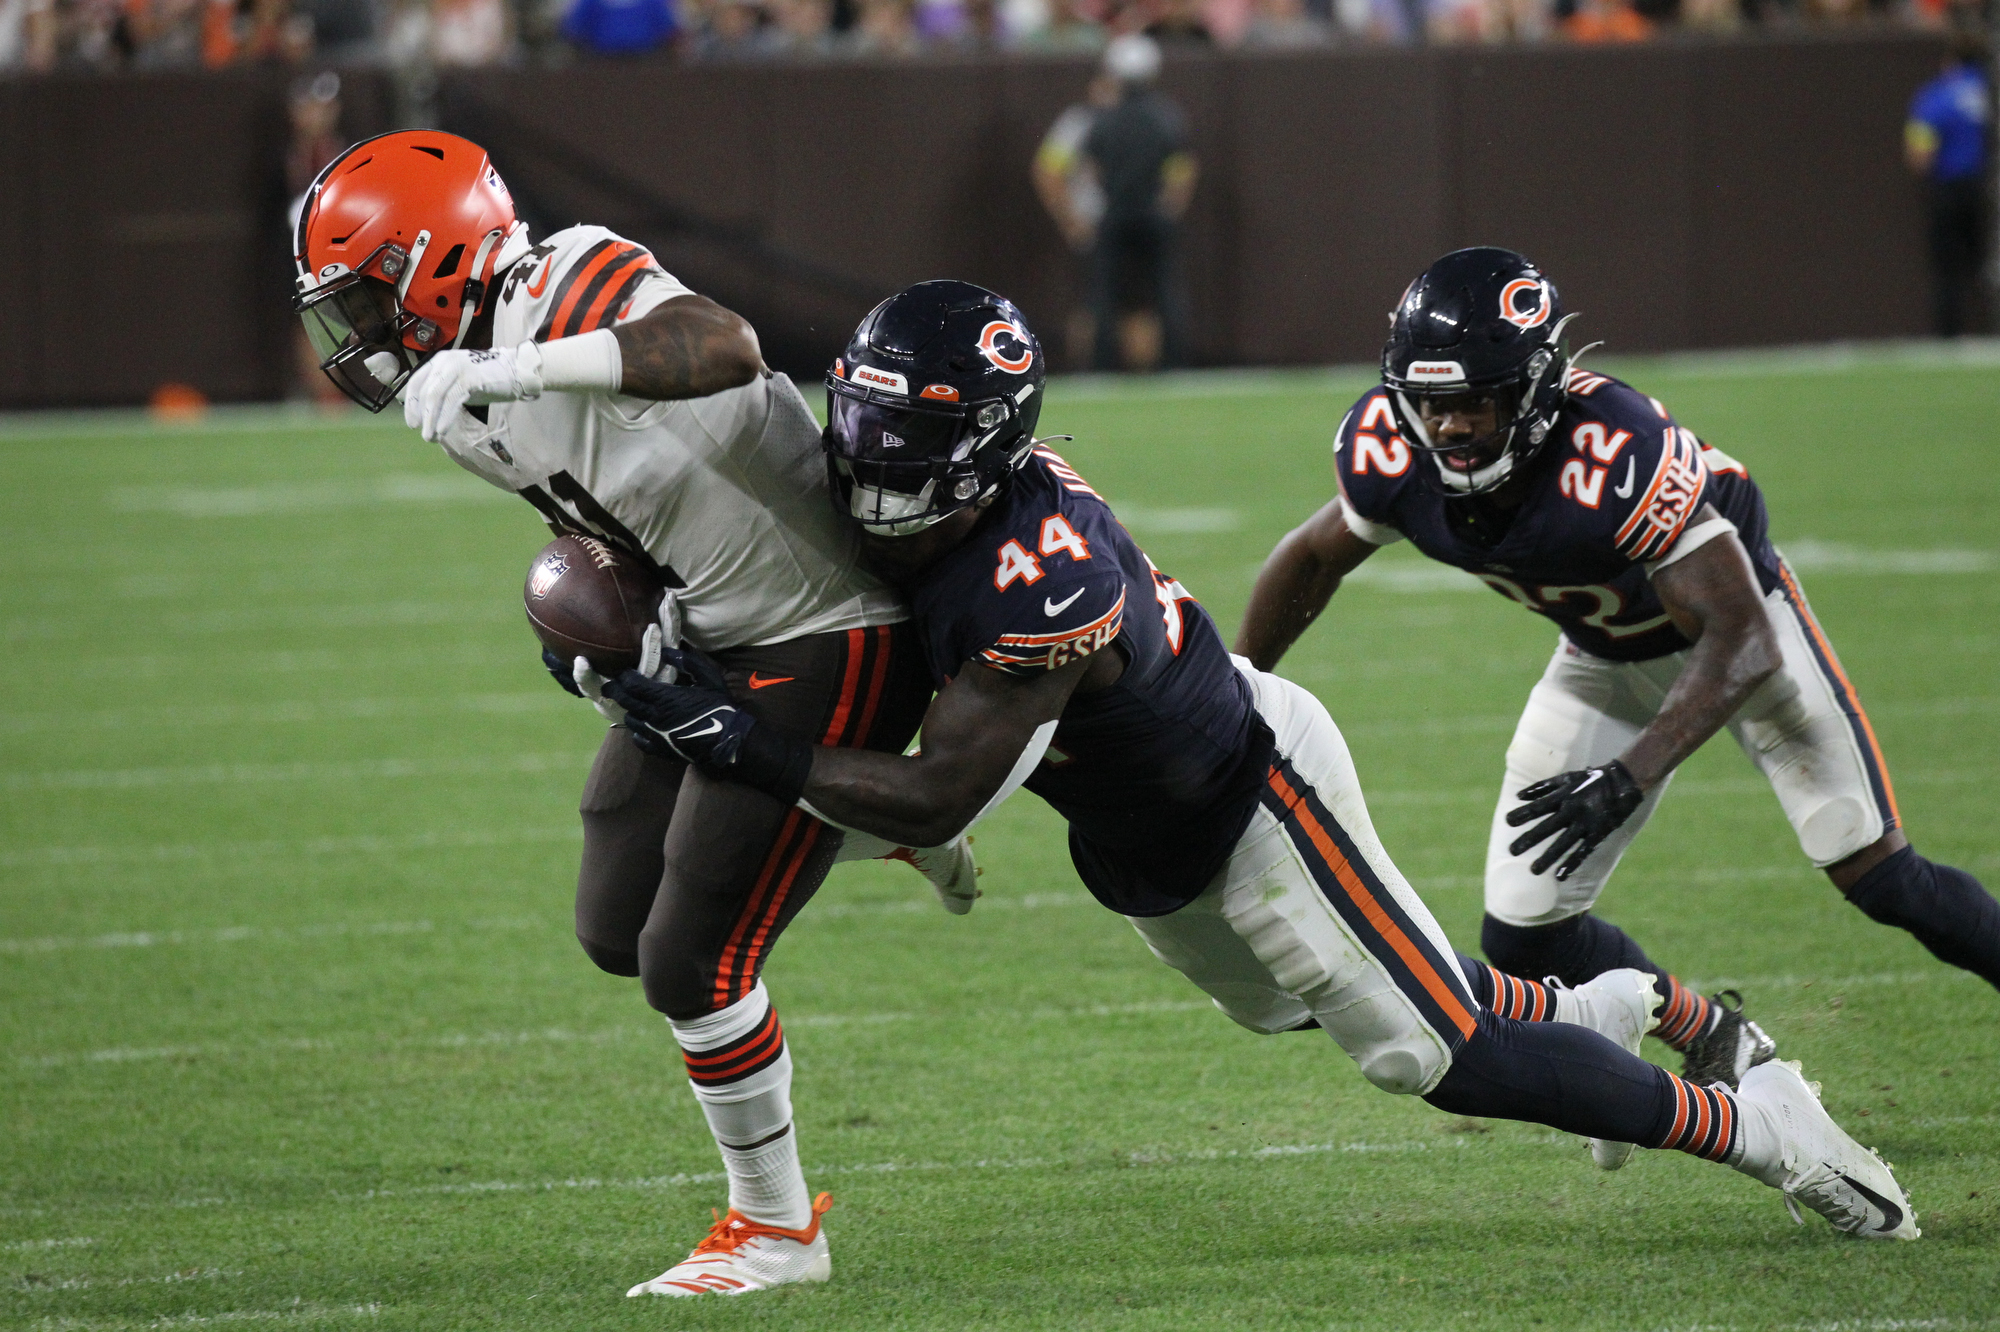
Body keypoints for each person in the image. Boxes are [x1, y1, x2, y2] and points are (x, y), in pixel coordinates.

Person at [603, 279, 1919, 1253]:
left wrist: (736, 740)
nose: (873, 467)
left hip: (1254, 796)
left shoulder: (1038, 567)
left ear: (989, 444)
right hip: (1142, 839)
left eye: (909, 442)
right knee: (1320, 1006)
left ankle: (1767, 1127)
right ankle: (1595, 1016)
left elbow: (946, 785)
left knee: (1431, 1054)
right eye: (865, 425)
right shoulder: (906, 507)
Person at [290, 131, 979, 1300]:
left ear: (435, 255)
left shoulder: (565, 277)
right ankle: (865, 814)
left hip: (825, 621)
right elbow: (601, 518)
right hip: (711, 629)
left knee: (688, 963)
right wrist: (601, 629)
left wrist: (526, 368)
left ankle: (775, 1233)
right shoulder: (452, 399)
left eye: (364, 295)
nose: (354, 332)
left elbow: (723, 346)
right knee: (614, 925)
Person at [1234, 247, 2000, 1081]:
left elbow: (1742, 638)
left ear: (1532, 390)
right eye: (1431, 404)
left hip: (1741, 638)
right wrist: (1236, 686)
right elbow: (1313, 557)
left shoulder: (1615, 450)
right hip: (1605, 656)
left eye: (1476, 404)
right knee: (1526, 934)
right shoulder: (1391, 452)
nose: (1449, 426)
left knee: (1871, 865)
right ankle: (1718, 1040)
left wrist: (1626, 776)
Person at [1082, 34, 1197, 372]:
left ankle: (1101, 367)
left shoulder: (1105, 118)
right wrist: (1170, 206)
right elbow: (1182, 168)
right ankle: (1175, 364)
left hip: (1114, 213)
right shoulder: (1166, 116)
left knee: (1104, 292)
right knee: (1165, 290)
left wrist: (1099, 203)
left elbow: (1089, 167)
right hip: (1153, 213)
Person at [1032, 71, 1120, 368]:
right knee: (1091, 304)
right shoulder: (1081, 121)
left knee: (1132, 303)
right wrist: (1069, 219)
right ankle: (1087, 370)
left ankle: (1137, 376)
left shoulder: (1135, 118)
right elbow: (1047, 171)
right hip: (1094, 223)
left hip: (1127, 222)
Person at [1906, 34, 1992, 338]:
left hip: (1947, 189)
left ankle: (1950, 335)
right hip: (1982, 188)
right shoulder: (1985, 90)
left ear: (1949, 63)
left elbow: (1920, 155)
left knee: (1946, 267)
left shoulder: (1935, 97)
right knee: (1980, 263)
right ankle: (1986, 330)